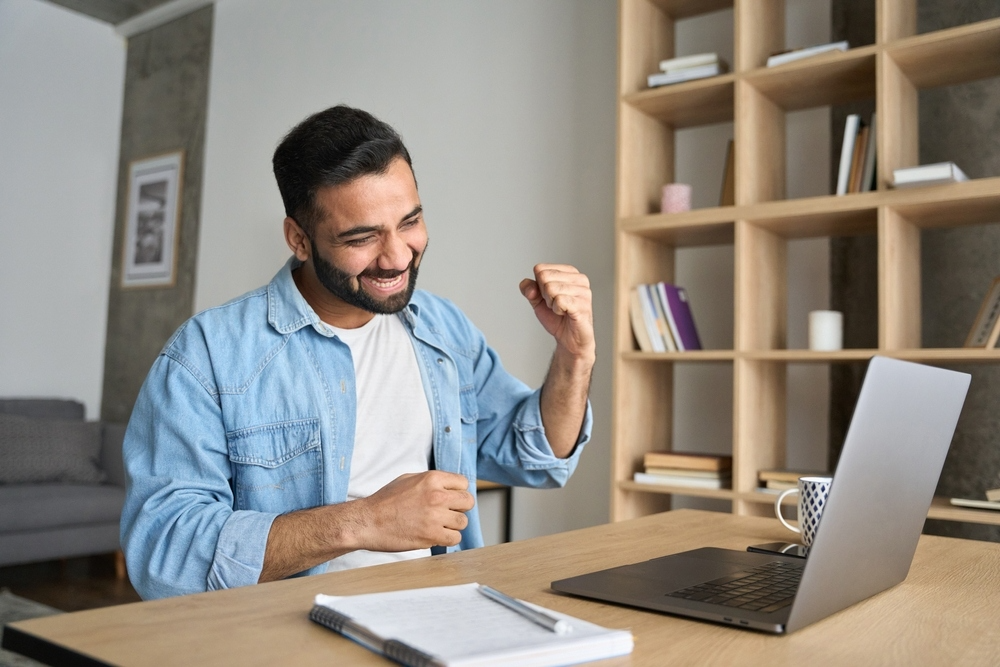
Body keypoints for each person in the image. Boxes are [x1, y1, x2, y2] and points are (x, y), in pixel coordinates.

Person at [120, 105, 595, 599]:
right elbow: (165, 553)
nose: (397, 257)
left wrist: (574, 357)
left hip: (442, 610)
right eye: (362, 238)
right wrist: (365, 521)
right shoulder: (207, 355)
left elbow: (534, 457)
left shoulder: (442, 327)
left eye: (409, 222)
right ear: (299, 239)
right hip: (283, 635)